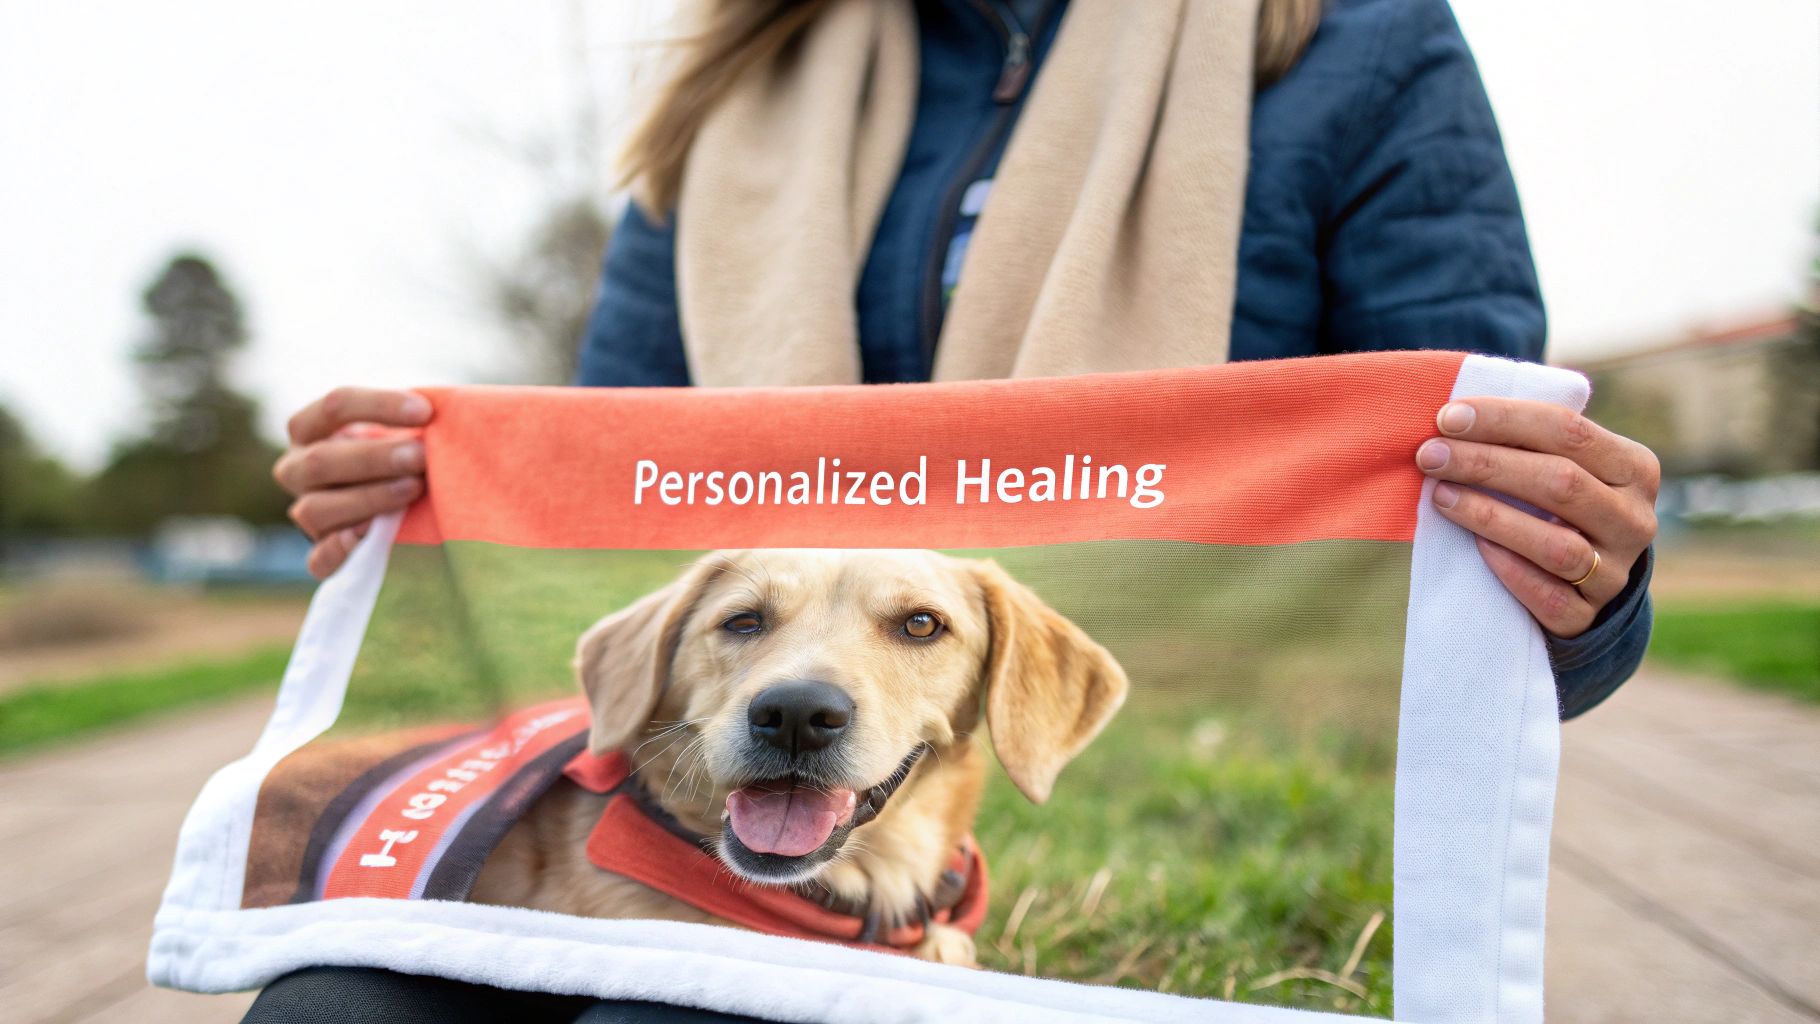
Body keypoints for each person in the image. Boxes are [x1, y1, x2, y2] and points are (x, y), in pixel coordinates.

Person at [257, 0, 1657, 1019]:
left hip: (818, 922)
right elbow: (621, 492)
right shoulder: (724, 104)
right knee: (323, 1010)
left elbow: (1472, 587)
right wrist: (427, 499)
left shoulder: (1363, 45)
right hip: (612, 841)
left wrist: (1573, 583)